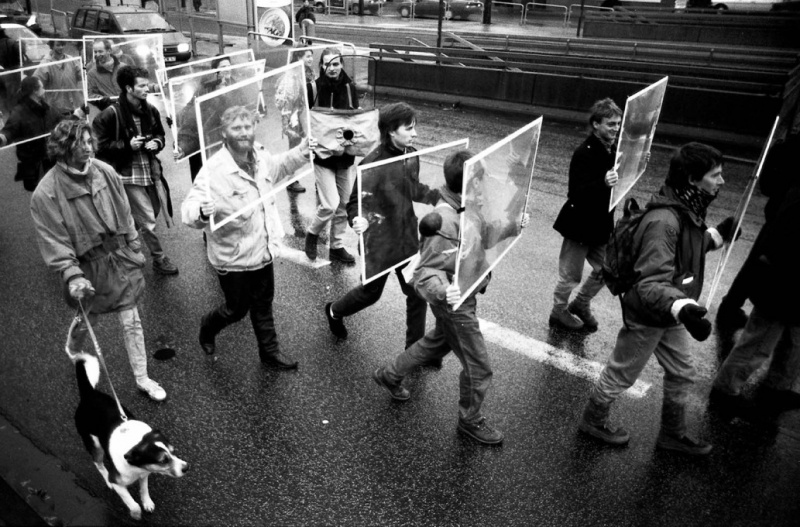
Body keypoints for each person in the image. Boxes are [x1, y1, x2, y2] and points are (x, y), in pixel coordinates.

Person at [578, 142, 736, 456]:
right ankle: (592, 420)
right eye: (715, 175)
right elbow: (650, 283)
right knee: (622, 372)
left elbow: (688, 250)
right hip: (650, 312)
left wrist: (717, 235)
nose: (721, 182)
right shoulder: (664, 221)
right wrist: (684, 308)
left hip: (672, 312)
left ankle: (672, 434)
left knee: (682, 371)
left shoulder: (687, 210)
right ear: (693, 180)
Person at [372, 150, 529, 446]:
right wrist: (444, 291)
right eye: (481, 180)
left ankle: (390, 374)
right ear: (470, 183)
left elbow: (482, 235)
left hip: (461, 295)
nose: (485, 186)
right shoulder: (444, 219)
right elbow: (426, 270)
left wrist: (513, 224)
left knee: (436, 343)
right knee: (479, 367)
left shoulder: (467, 206)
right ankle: (469, 420)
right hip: (454, 301)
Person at [30, 119, 167, 402]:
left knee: (132, 320)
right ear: (64, 147)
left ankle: (142, 378)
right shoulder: (46, 192)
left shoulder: (104, 171)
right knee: (88, 319)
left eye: (90, 141)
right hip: (88, 268)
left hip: (120, 258)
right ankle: (73, 347)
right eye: (81, 142)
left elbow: (124, 210)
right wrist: (73, 275)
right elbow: (54, 240)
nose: (89, 147)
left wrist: (134, 246)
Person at [182, 106, 316, 369]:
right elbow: (189, 208)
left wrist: (303, 150)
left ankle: (270, 354)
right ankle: (208, 326)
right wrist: (200, 211)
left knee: (263, 304)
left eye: (247, 127)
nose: (244, 133)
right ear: (224, 133)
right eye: (237, 128)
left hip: (263, 250)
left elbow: (282, 166)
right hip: (233, 258)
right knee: (236, 309)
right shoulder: (213, 170)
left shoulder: (261, 156)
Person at [325, 102, 437, 348]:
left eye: (414, 128)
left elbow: (413, 189)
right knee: (370, 293)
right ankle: (334, 311)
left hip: (406, 236)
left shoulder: (411, 155)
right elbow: (355, 202)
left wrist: (442, 199)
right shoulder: (372, 163)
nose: (415, 133)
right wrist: (357, 218)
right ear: (391, 131)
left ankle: (415, 351)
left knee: (417, 293)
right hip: (379, 241)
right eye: (409, 128)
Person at [711, 169, 800, 411]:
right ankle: (726, 390)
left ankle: (778, 386)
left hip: (784, 279)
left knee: (792, 338)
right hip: (785, 282)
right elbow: (783, 238)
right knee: (760, 340)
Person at [92, 65, 178, 275]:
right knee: (148, 219)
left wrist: (156, 143)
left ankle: (127, 247)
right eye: (141, 85)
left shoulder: (150, 110)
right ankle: (158, 258)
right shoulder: (110, 114)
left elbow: (160, 135)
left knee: (150, 214)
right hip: (127, 175)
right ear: (129, 88)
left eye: (146, 84)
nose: (147, 88)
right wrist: (126, 146)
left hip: (150, 172)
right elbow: (98, 147)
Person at [715, 127, 800, 334]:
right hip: (786, 218)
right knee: (762, 263)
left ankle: (731, 305)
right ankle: (732, 307)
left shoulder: (790, 144)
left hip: (779, 213)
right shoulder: (792, 147)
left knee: (755, 262)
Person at [550, 98, 621, 331]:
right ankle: (558, 312)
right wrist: (603, 182)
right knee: (570, 276)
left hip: (600, 224)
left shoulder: (614, 150)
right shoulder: (584, 152)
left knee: (608, 270)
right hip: (579, 224)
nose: (616, 128)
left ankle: (580, 304)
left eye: (618, 124)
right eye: (610, 124)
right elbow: (576, 192)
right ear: (596, 124)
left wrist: (638, 162)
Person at [304, 47, 360, 263]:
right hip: (323, 157)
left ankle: (336, 246)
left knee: (345, 203)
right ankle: (313, 233)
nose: (332, 68)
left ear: (342, 64)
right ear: (322, 66)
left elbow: (355, 118)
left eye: (336, 64)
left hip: (345, 156)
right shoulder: (313, 88)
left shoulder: (349, 87)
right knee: (329, 204)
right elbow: (303, 120)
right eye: (328, 64)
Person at [0, 76, 78, 191]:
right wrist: (2, 138)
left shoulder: (46, 108)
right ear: (35, 91)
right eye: (42, 87)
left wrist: (78, 115)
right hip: (33, 166)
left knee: (55, 193)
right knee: (42, 197)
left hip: (50, 161)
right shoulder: (19, 113)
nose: (45, 90)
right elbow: (9, 132)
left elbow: (62, 121)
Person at [176, 55, 237, 183]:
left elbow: (244, 109)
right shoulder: (205, 89)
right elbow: (192, 118)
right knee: (205, 182)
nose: (227, 69)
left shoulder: (237, 87)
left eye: (229, 66)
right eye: (223, 67)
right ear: (215, 70)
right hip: (206, 143)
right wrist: (182, 147)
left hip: (227, 144)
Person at [275, 47, 312, 194]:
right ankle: (291, 179)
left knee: (309, 143)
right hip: (294, 116)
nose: (311, 59)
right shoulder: (290, 78)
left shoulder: (305, 72)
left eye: (311, 56)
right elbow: (286, 103)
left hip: (303, 113)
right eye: (307, 56)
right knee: (295, 146)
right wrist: (287, 126)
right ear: (298, 58)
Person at [33, 40, 84, 116]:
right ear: (52, 46)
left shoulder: (71, 60)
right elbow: (35, 82)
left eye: (63, 45)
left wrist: (84, 64)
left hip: (74, 108)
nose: (61, 47)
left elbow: (83, 75)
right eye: (58, 45)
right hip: (56, 110)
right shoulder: (46, 63)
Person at [86, 39, 123, 111]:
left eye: (100, 51)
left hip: (127, 109)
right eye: (95, 52)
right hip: (109, 111)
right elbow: (90, 94)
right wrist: (102, 99)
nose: (97, 55)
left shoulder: (123, 67)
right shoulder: (92, 73)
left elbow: (134, 86)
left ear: (109, 51)